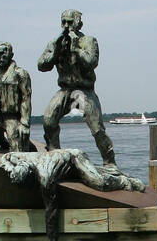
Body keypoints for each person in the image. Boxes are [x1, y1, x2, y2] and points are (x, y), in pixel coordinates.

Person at [38, 9, 116, 161]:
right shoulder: (55, 43)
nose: (67, 26)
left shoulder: (89, 41)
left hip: (84, 91)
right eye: (64, 22)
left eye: (70, 22)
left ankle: (109, 161)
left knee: (97, 129)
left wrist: (76, 49)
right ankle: (54, 153)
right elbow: (41, 65)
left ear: (79, 24)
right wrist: (55, 52)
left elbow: (91, 63)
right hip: (65, 90)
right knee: (48, 119)